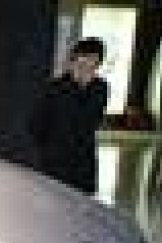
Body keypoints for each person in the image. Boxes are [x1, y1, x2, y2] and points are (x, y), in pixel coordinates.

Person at [28, 38, 109, 194]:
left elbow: (94, 120)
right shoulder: (54, 88)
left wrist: (83, 88)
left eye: (93, 66)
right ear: (72, 62)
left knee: (84, 209)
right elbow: (35, 124)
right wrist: (50, 151)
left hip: (85, 164)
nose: (87, 71)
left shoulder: (101, 88)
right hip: (56, 164)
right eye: (82, 65)